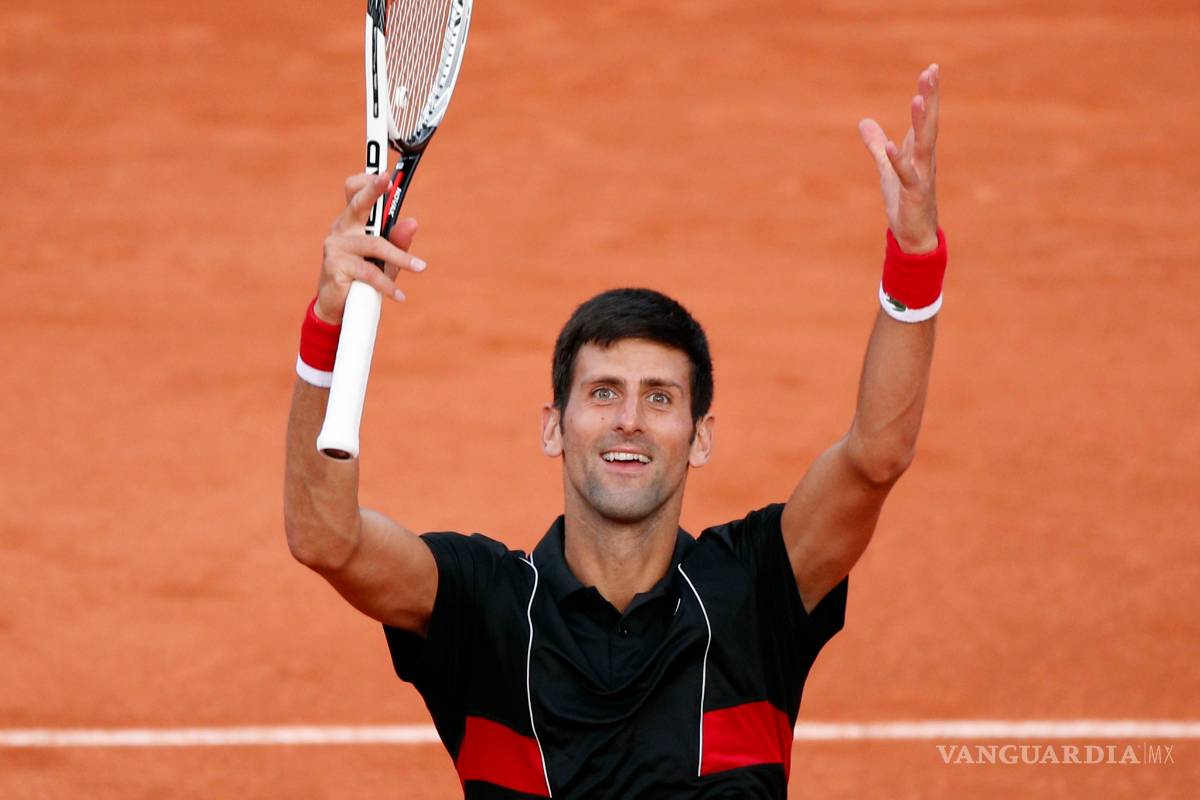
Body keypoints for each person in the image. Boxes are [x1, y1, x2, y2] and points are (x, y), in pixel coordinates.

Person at [285, 64, 946, 799]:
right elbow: (326, 538)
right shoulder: (485, 607)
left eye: (660, 398)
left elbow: (877, 457)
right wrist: (328, 328)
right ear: (553, 428)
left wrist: (915, 262)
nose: (629, 417)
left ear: (700, 437)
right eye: (603, 393)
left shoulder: (756, 590)